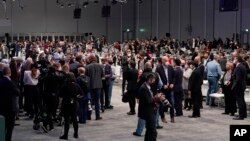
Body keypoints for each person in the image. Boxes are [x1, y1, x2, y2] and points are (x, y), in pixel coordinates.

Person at [138, 74, 164, 141]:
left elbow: (149, 98)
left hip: (150, 111)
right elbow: (148, 101)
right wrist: (157, 97)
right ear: (150, 80)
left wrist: (155, 97)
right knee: (152, 130)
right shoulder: (144, 88)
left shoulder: (147, 87)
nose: (154, 81)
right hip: (147, 112)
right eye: (154, 80)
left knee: (150, 130)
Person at [59, 73, 83, 140]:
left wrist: (59, 105)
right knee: (74, 119)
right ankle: (76, 133)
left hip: (66, 104)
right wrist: (76, 97)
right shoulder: (76, 85)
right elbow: (81, 94)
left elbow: (60, 96)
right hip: (74, 103)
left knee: (66, 119)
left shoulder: (64, 86)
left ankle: (65, 135)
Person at [0, 66, 20, 141]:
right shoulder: (10, 82)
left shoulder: (1, 81)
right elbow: (17, 92)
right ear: (9, 72)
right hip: (11, 108)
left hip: (2, 108)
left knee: (2, 127)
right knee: (9, 129)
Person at [156, 56, 175, 123]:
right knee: (161, 104)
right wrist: (163, 85)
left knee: (172, 103)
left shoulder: (170, 67)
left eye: (168, 60)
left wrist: (172, 83)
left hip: (170, 89)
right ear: (162, 61)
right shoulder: (158, 69)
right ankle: (163, 117)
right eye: (165, 60)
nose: (167, 61)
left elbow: (173, 77)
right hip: (162, 89)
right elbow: (157, 79)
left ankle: (172, 117)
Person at [85, 55, 104, 120]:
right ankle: (97, 115)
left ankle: (89, 115)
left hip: (90, 85)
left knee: (89, 101)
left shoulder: (87, 67)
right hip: (98, 85)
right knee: (97, 101)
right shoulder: (100, 66)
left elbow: (86, 77)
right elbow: (102, 75)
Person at [232, 56, 247, 120]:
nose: (233, 60)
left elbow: (238, 79)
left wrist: (233, 86)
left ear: (237, 60)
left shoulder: (238, 67)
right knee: (242, 100)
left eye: (234, 59)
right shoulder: (242, 66)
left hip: (239, 86)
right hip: (242, 85)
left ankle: (241, 115)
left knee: (240, 101)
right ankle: (244, 114)